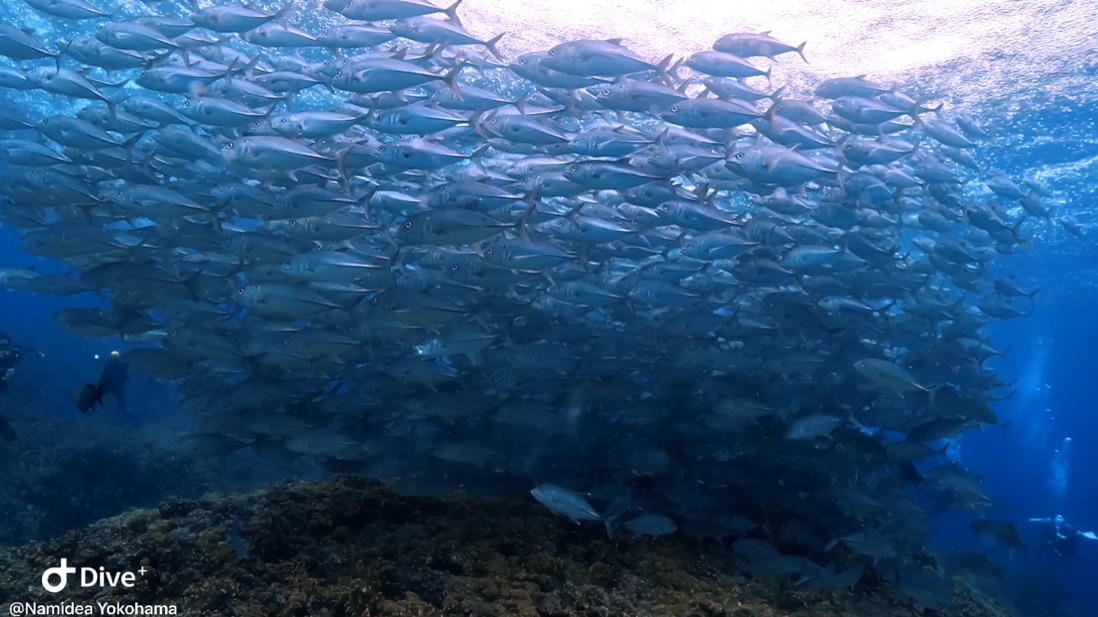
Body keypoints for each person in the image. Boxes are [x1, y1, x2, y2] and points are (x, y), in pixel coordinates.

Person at [1028, 515, 1098, 558]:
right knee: (1045, 547)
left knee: (1077, 537)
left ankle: (1052, 552)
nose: (1058, 518)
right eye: (1057, 518)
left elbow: (1076, 534)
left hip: (1065, 546)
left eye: (1060, 519)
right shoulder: (1051, 525)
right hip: (1056, 544)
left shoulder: (1068, 528)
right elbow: (1040, 521)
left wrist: (1062, 537)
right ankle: (1036, 551)